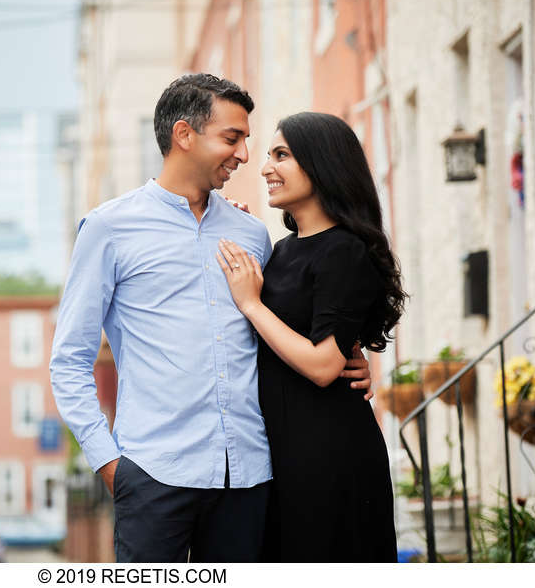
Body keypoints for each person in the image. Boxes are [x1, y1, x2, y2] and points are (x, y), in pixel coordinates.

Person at [49, 74, 374, 563]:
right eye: (232, 138)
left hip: (251, 476)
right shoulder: (108, 229)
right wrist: (110, 463)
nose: (245, 155)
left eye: (247, 140)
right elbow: (69, 361)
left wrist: (352, 355)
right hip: (154, 473)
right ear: (184, 135)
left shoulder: (252, 234)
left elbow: (292, 322)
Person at [214, 111, 406, 561]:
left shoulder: (345, 249)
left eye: (281, 155)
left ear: (321, 164)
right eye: (268, 156)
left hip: (329, 457)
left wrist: (252, 304)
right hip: (282, 454)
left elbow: (323, 366)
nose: (264, 168)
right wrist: (231, 225)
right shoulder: (283, 250)